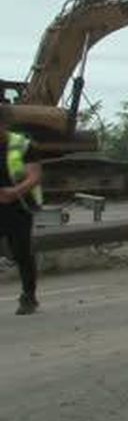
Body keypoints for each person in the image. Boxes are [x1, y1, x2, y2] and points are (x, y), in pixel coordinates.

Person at [0, 105, 43, 315]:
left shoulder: (22, 145)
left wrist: (13, 192)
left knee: (21, 252)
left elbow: (34, 176)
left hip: (18, 207)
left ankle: (29, 296)